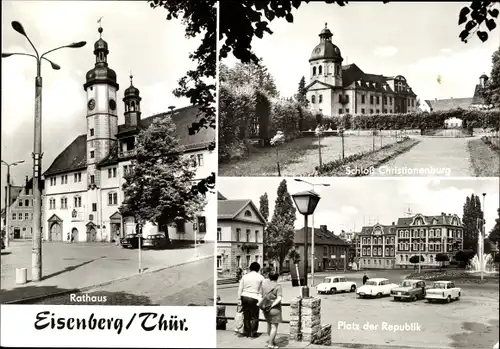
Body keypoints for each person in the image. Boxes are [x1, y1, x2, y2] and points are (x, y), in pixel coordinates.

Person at [237, 262, 264, 338]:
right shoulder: (261, 277)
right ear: (258, 269)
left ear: (250, 268)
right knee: (255, 316)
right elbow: (262, 289)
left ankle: (247, 332)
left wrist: (239, 298)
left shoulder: (244, 276)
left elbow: (240, 288)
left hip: (244, 296)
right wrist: (261, 298)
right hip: (254, 297)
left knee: (246, 315)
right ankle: (253, 332)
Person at [262, 271, 282, 349]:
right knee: (274, 326)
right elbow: (279, 298)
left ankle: (271, 340)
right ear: (277, 277)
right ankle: (270, 344)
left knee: (269, 324)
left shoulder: (264, 286)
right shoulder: (278, 286)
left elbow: (261, 296)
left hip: (265, 307)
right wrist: (272, 305)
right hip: (275, 308)